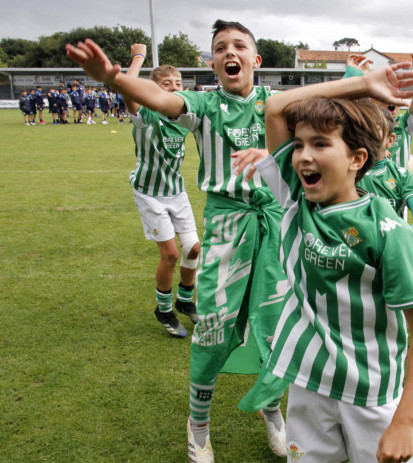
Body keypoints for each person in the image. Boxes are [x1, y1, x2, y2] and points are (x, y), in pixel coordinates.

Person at [66, 19, 289, 462]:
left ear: (255, 60)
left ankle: (271, 406)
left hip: (276, 226)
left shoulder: (276, 103)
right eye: (221, 47)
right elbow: (160, 98)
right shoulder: (203, 104)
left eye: (240, 45)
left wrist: (361, 82)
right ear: (212, 62)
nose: (231, 52)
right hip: (228, 225)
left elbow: (323, 116)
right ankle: (199, 425)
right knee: (212, 328)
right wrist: (115, 77)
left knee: (279, 324)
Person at [232, 62, 413, 463]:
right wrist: (361, 84)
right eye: (299, 144)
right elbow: (274, 108)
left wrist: (403, 421)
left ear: (356, 158)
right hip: (309, 381)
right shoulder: (297, 198)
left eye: (321, 144)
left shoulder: (389, 232)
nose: (303, 156)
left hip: (373, 393)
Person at [122, 42, 201, 339]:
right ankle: (164, 309)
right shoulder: (146, 117)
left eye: (178, 83)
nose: (174, 87)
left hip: (176, 192)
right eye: (166, 84)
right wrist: (138, 57)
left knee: (193, 249)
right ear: (153, 89)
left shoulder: (183, 117)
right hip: (149, 193)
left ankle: (184, 300)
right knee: (169, 255)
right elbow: (128, 89)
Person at [357, 98, 413, 237]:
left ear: (390, 140)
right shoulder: (346, 173)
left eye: (374, 131)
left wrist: (408, 238)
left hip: (389, 252)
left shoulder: (402, 175)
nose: (366, 137)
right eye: (362, 130)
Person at [386, 51, 413, 168]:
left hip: (399, 183)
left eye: (396, 98)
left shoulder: (405, 123)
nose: (393, 103)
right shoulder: (369, 123)